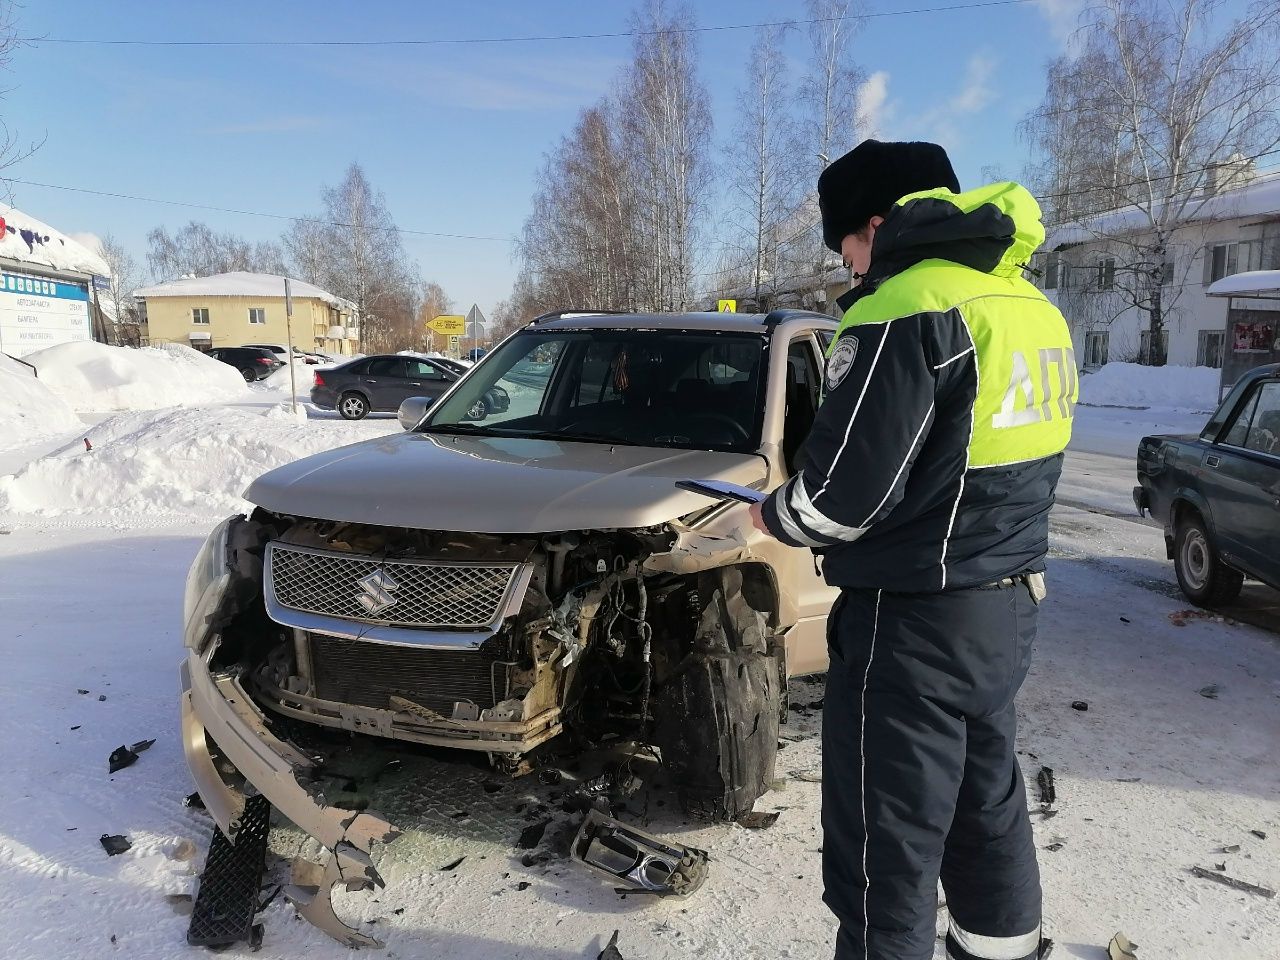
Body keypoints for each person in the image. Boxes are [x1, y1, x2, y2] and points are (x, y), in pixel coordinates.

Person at [748, 140, 1074, 960]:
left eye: (845, 244)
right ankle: (1003, 949)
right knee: (984, 803)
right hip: (1006, 606)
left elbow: (840, 498)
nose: (848, 264)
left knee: (882, 844)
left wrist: (768, 518)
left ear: (874, 223)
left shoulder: (904, 307)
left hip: (910, 624)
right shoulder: (1027, 304)